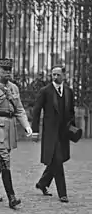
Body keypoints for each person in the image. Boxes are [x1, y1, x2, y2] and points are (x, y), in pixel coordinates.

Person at [0, 58, 32, 209]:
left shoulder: (14, 88)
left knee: (0, 161)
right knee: (4, 159)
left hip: (10, 127)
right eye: (4, 70)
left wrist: (26, 126)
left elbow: (19, 109)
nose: (7, 73)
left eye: (9, 70)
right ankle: (12, 197)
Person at [32, 65, 75, 203]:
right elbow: (36, 110)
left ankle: (42, 183)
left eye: (58, 74)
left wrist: (72, 130)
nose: (55, 77)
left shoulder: (69, 91)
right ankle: (63, 193)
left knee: (57, 160)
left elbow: (71, 112)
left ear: (64, 75)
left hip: (63, 132)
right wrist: (35, 131)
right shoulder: (45, 91)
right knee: (57, 160)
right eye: (53, 75)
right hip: (51, 133)